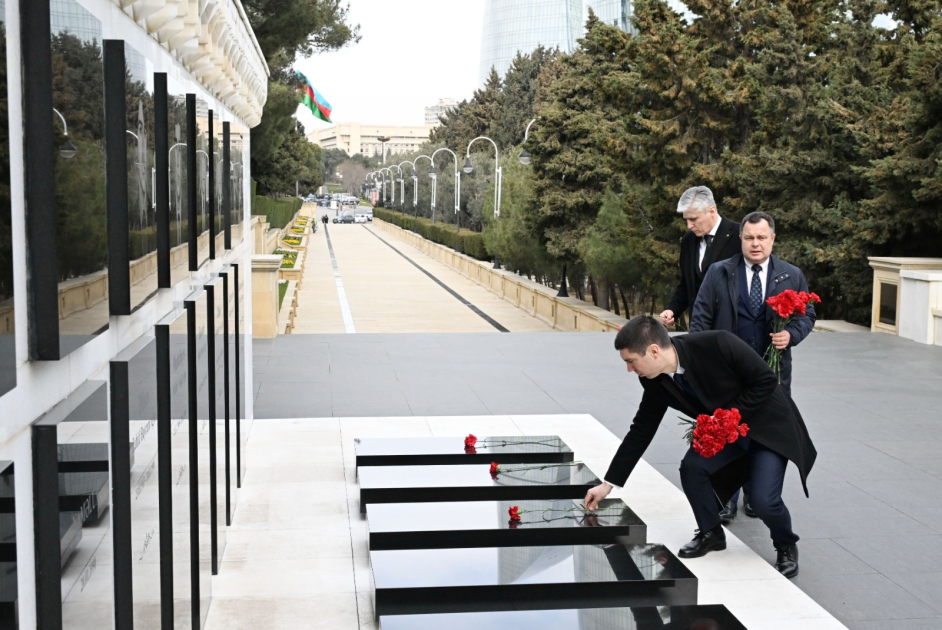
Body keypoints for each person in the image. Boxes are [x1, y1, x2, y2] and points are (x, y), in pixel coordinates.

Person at [584, 316, 816, 578]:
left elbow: (765, 380)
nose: (629, 369)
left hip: (767, 427)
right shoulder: (653, 379)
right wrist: (608, 484)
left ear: (653, 351)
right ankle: (711, 533)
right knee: (692, 468)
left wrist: (727, 416)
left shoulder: (717, 343)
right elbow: (641, 429)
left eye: (631, 361)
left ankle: (786, 545)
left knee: (764, 501)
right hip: (726, 433)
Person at [690, 211, 816, 521]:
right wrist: (706, 364)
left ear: (773, 239)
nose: (755, 244)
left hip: (771, 375)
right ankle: (726, 497)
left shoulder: (791, 275)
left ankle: (755, 494)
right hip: (729, 376)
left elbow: (807, 315)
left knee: (764, 432)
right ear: (741, 240)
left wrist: (791, 333)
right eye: (749, 238)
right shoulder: (719, 272)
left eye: (762, 237)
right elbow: (701, 319)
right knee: (730, 432)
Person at [660, 187, 741, 328]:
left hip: (733, 331)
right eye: (686, 219)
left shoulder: (740, 236)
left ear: (711, 211)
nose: (689, 225)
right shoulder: (688, 241)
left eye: (693, 219)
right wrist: (672, 309)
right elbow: (687, 285)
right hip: (698, 329)